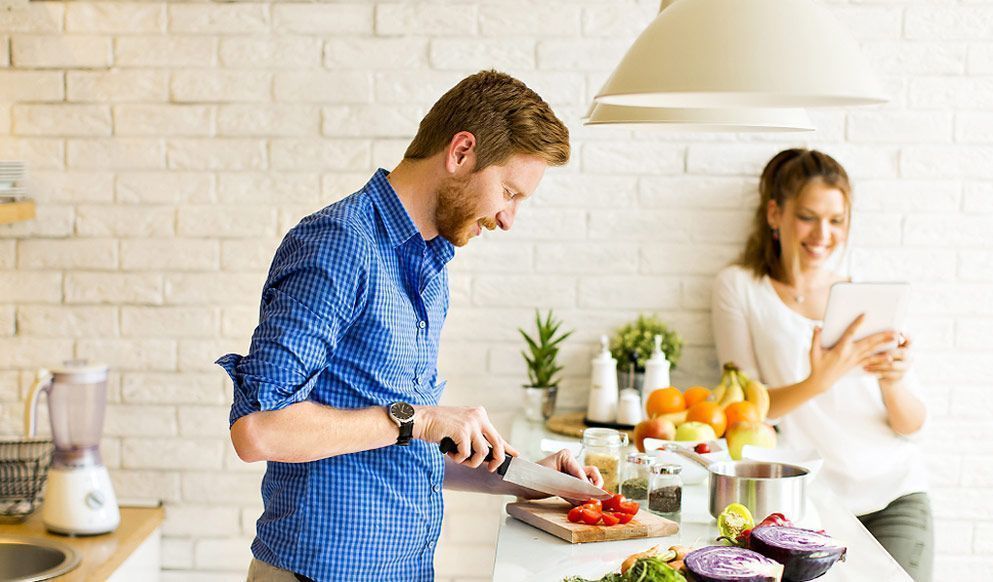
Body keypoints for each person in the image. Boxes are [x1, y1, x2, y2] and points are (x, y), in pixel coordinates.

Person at [216, 70, 602, 582]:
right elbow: (259, 431)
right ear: (461, 152)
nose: (508, 218)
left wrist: (528, 478)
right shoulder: (338, 245)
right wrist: (417, 419)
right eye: (508, 191)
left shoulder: (430, 268)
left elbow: (396, 449)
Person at [710, 148, 932, 581]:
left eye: (837, 220)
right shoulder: (740, 288)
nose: (823, 234)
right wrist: (820, 378)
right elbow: (744, 416)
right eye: (808, 216)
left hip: (894, 494)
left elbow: (914, 426)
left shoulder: (866, 290)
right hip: (807, 503)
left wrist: (895, 379)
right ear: (775, 213)